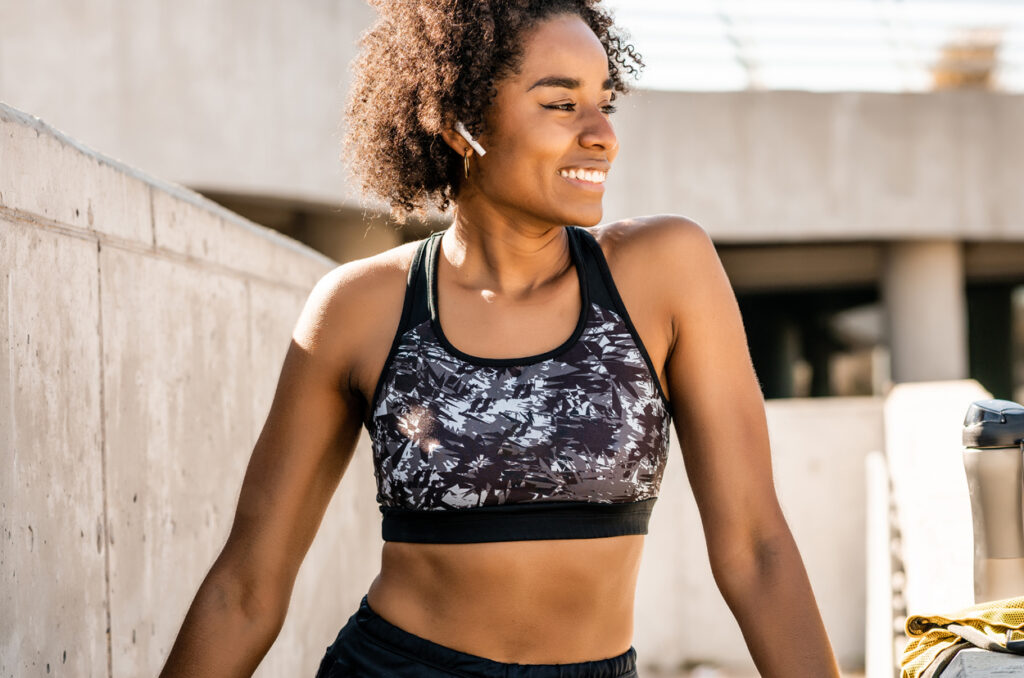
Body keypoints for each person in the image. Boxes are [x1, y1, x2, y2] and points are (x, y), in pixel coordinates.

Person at [159, 1, 842, 676]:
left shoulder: (665, 271)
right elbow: (245, 589)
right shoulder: (359, 310)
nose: (602, 133)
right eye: (560, 104)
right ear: (461, 126)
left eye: (605, 102)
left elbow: (756, 550)